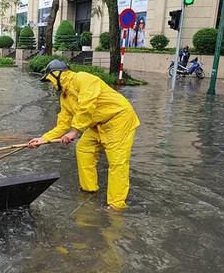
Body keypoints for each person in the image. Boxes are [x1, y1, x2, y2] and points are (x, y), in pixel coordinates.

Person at [28, 59, 140, 210]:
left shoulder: (83, 78)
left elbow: (87, 106)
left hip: (119, 120)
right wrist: (43, 139)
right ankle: (89, 189)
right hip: (97, 126)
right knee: (83, 148)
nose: (50, 84)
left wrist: (74, 131)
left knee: (117, 163)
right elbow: (63, 123)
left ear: (56, 75)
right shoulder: (65, 97)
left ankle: (116, 205)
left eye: (49, 79)